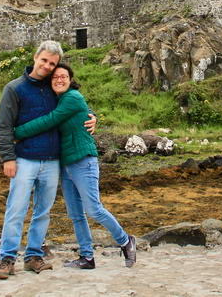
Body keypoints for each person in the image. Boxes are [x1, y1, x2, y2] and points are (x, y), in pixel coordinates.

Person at [14, 63, 137, 269]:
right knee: (75, 214)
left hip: (83, 161)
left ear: (71, 80)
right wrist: (92, 113)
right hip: (66, 164)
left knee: (94, 209)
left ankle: (125, 241)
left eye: (64, 77)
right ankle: (87, 257)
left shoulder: (72, 97)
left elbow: (50, 120)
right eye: (55, 77)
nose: (59, 80)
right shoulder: (58, 99)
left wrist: (16, 133)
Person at [0, 41, 97, 280]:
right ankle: (7, 258)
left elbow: (79, 104)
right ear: (35, 57)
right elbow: (3, 126)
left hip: (52, 161)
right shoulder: (14, 88)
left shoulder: (54, 87)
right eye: (44, 61)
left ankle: (33, 256)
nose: (47, 66)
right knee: (16, 210)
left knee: (43, 212)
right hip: (24, 159)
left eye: (52, 63)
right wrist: (7, 157)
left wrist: (93, 117)